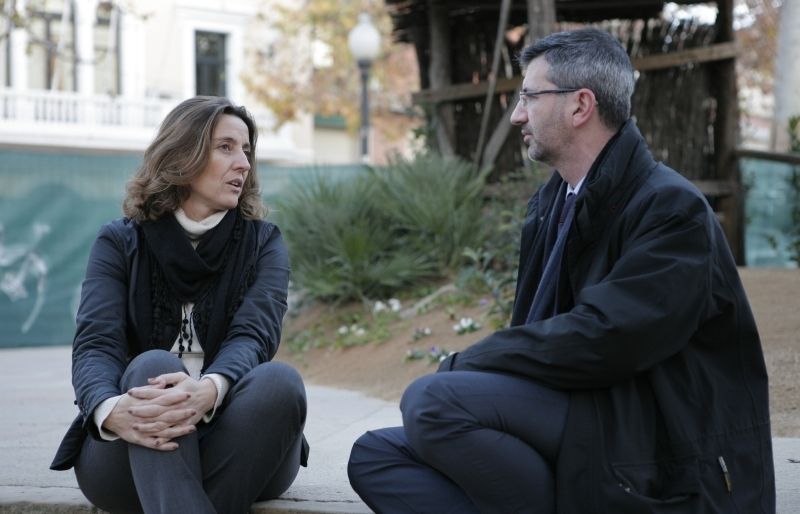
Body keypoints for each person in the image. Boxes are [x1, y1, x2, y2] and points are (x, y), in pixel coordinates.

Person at [348, 28, 775, 513]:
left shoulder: (671, 210)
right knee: (376, 454)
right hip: (579, 413)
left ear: (580, 106)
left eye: (529, 95)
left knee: (433, 402)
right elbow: (536, 335)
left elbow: (606, 339)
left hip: (647, 444)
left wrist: (469, 361)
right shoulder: (553, 201)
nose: (516, 115)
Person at [50, 96, 308, 514]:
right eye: (225, 147)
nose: (243, 163)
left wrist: (207, 391)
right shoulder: (119, 241)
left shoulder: (264, 243)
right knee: (153, 367)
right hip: (132, 449)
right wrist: (110, 410)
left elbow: (254, 336)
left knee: (280, 384)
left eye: (246, 150)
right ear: (182, 154)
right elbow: (97, 344)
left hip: (237, 446)